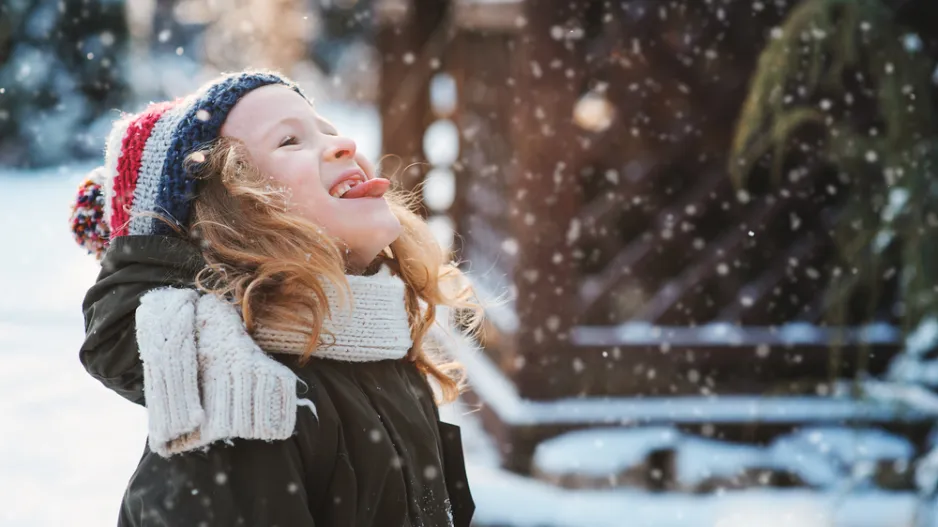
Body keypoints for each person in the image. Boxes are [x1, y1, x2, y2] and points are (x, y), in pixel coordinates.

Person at [71, 70, 479, 526]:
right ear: (230, 220)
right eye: (289, 141)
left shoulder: (373, 349)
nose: (343, 144)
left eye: (327, 128)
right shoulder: (243, 399)